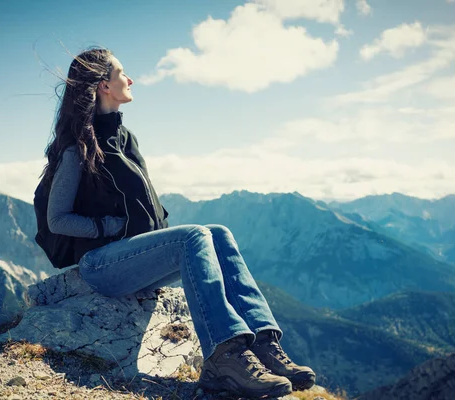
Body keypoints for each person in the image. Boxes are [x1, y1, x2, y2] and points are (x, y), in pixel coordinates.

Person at [40, 47, 316, 398]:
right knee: (194, 237)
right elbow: (57, 219)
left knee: (218, 234)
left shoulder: (125, 139)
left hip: (132, 258)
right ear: (103, 86)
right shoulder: (78, 147)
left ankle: (263, 343)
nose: (130, 78)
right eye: (122, 72)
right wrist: (108, 227)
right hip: (101, 264)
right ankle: (223, 357)